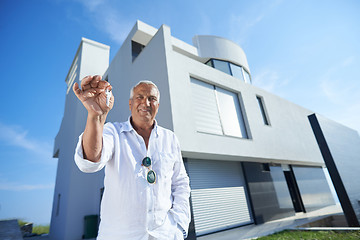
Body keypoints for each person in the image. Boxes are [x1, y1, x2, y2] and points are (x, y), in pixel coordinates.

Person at [72, 75, 191, 240]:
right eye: (140, 97)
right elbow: (90, 162)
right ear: (130, 103)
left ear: (158, 105)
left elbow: (180, 183)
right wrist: (95, 116)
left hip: (166, 235)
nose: (146, 103)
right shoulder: (112, 132)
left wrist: (180, 225)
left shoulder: (170, 138)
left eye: (152, 98)